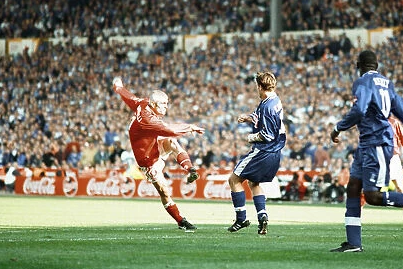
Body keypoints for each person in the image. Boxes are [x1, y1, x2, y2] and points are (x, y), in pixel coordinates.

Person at [329, 50, 403, 253]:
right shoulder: (387, 83)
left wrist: (338, 127)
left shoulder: (362, 82)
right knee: (353, 187)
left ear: (359, 66)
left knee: (373, 196)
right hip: (366, 143)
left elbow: (359, 110)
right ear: (377, 65)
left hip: (376, 143)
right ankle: (353, 243)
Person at [112, 77, 205, 232]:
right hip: (147, 160)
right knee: (164, 191)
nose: (166, 107)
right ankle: (181, 221)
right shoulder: (147, 120)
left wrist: (118, 87)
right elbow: (171, 130)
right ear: (153, 104)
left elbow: (129, 98)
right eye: (163, 104)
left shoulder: (143, 103)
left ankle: (190, 170)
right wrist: (190, 127)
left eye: (167, 103)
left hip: (155, 146)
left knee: (172, 142)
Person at [227, 71, 286, 235]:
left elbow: (267, 134)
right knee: (254, 183)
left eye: (257, 87)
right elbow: (262, 118)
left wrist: (250, 137)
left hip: (263, 151)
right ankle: (262, 216)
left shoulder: (267, 107)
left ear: (260, 86)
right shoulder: (273, 100)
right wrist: (248, 118)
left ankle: (241, 218)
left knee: (234, 179)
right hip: (275, 152)